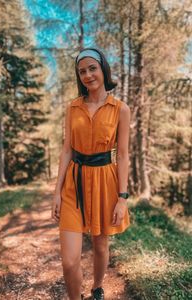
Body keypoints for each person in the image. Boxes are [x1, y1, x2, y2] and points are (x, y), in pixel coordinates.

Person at [52, 47, 131, 300]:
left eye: (92, 68)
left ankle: (97, 288)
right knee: (69, 261)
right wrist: (56, 193)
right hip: (73, 185)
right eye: (82, 71)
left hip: (104, 181)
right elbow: (66, 151)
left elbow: (123, 155)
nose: (87, 75)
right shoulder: (73, 107)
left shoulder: (121, 109)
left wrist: (122, 197)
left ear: (102, 69)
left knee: (100, 244)